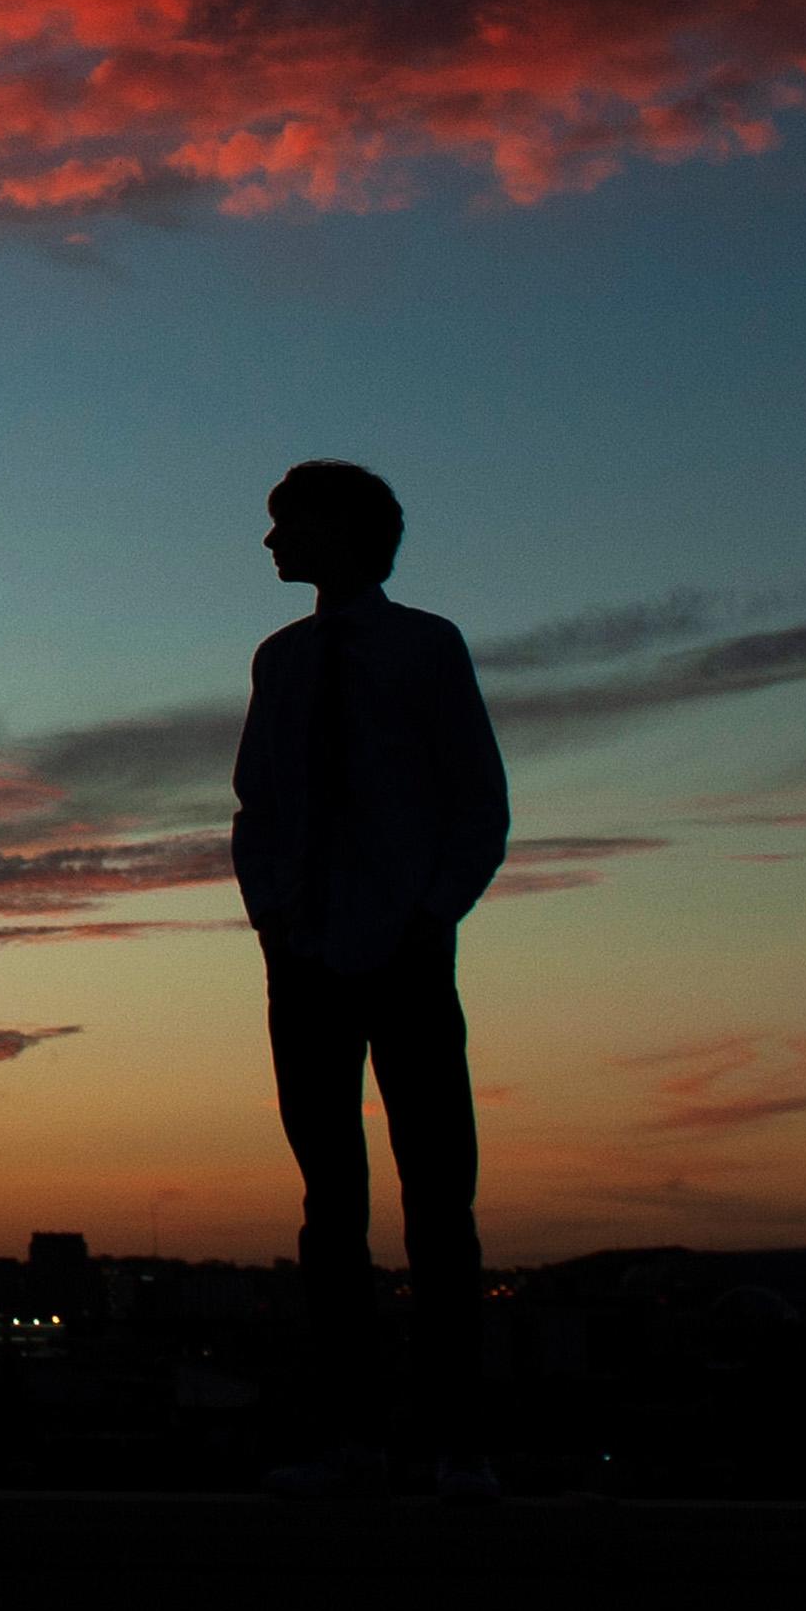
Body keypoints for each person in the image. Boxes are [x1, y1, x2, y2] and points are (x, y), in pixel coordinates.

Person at [231, 458, 509, 1499]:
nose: (271, 542)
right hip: (304, 957)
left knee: (439, 1201)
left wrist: (429, 916)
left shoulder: (426, 648)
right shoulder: (281, 660)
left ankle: (453, 1445)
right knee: (330, 1206)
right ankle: (348, 1436)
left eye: (287, 523)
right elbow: (259, 804)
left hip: (404, 951)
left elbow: (476, 799)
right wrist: (275, 922)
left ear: (341, 530)